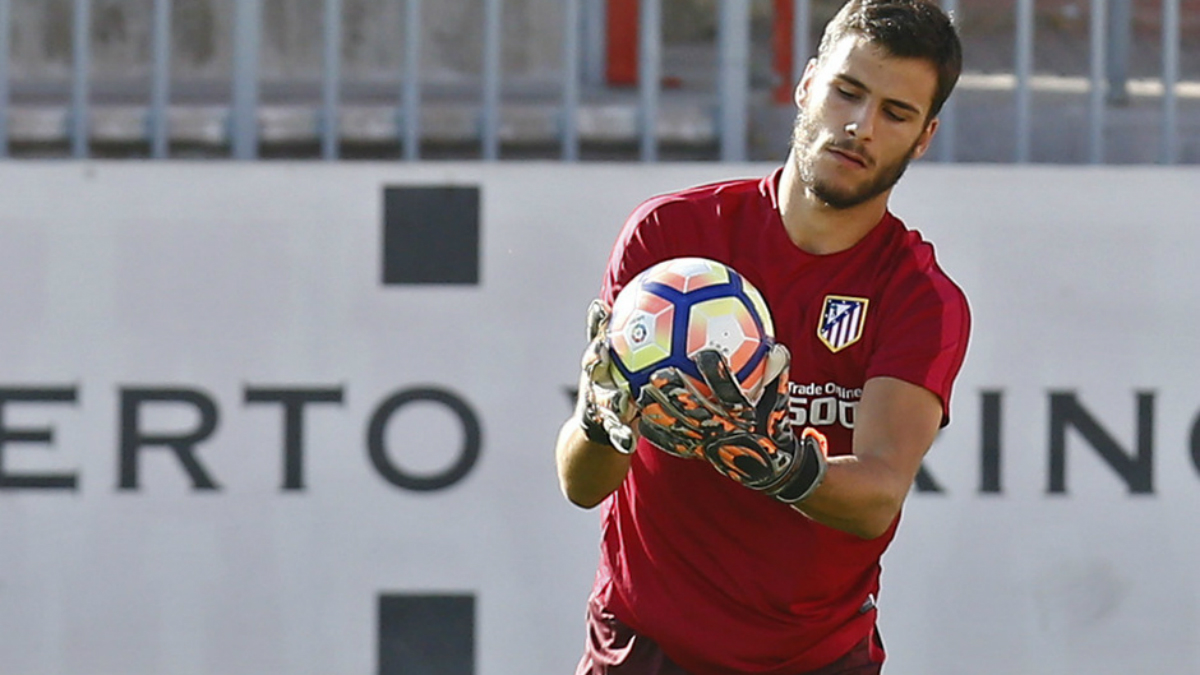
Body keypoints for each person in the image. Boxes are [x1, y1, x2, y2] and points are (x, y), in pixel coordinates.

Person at [555, 1, 970, 673]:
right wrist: (603, 422)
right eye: (848, 91)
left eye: (896, 113)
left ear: (924, 137)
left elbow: (877, 496)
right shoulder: (669, 242)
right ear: (807, 86)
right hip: (643, 648)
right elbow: (580, 482)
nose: (860, 126)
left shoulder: (919, 295)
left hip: (812, 658)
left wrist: (781, 464)